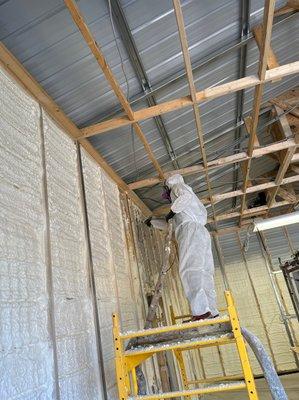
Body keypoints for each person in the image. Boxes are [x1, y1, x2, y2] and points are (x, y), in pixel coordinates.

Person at [150, 174, 218, 321]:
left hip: (190, 232)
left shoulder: (178, 188)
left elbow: (182, 201)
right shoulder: (185, 211)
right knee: (204, 272)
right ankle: (211, 310)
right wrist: (154, 222)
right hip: (201, 232)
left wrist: (171, 212)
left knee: (189, 269)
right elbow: (172, 224)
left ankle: (200, 312)